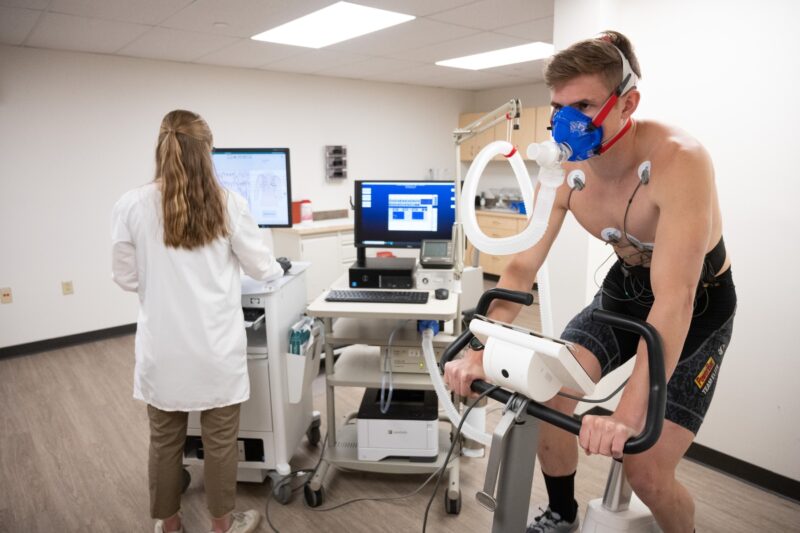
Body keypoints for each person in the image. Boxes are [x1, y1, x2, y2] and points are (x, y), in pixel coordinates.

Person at [444, 31, 735, 533]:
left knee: (644, 468)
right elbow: (520, 268)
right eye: (559, 107)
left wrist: (626, 414)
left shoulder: (679, 159)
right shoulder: (563, 167)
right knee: (546, 397)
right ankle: (561, 513)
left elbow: (675, 299)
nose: (566, 122)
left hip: (697, 304)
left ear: (628, 104)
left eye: (583, 105)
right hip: (625, 291)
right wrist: (478, 349)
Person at [111, 109, 284, 533]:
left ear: (161, 147)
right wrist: (273, 268)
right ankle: (222, 526)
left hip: (162, 352)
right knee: (221, 444)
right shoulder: (227, 204)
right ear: (206, 152)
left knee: (165, 442)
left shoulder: (131, 204)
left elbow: (125, 277)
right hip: (216, 352)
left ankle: (169, 525)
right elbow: (263, 268)